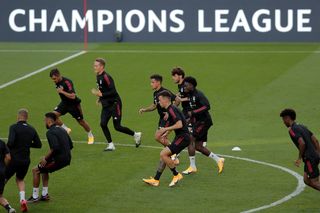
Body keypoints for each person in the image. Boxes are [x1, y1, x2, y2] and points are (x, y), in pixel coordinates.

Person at [91, 58, 142, 151]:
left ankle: (136, 135)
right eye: (94, 65)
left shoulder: (106, 77)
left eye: (96, 65)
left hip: (115, 104)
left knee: (117, 127)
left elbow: (113, 91)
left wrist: (101, 95)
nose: (94, 67)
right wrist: (100, 98)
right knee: (103, 124)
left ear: (102, 67)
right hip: (106, 105)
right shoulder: (98, 76)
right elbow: (103, 89)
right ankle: (111, 145)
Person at [143, 91, 190, 187]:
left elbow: (179, 124)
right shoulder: (171, 109)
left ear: (165, 99)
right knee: (164, 156)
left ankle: (176, 175)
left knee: (163, 154)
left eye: (160, 100)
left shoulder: (172, 109)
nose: (159, 103)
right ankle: (156, 180)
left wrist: (166, 129)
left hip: (183, 138)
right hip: (180, 137)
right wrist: (167, 133)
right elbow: (177, 123)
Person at [181, 76, 224, 175]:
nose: (184, 87)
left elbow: (207, 106)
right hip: (198, 122)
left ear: (191, 85)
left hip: (204, 121)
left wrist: (193, 113)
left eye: (186, 85)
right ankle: (218, 160)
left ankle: (192, 167)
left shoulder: (198, 94)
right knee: (198, 146)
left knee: (190, 139)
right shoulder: (190, 95)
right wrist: (188, 121)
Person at [27, 112, 73, 203]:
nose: (44, 122)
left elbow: (54, 148)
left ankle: (35, 197)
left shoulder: (50, 132)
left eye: (45, 120)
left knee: (36, 170)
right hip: (66, 157)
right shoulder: (62, 130)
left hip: (59, 159)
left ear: (48, 121)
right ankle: (44, 195)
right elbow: (70, 145)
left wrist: (46, 159)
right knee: (44, 169)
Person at [5, 109, 42, 212]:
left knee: (4, 178)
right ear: (27, 117)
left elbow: (11, 143)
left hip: (14, 159)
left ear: (18, 116)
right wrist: (26, 144)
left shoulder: (14, 127)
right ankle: (22, 200)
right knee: (20, 179)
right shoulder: (31, 129)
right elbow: (39, 145)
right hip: (25, 160)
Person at [50, 68, 94, 144]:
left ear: (59, 75)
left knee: (81, 121)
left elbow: (73, 96)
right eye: (52, 79)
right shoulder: (57, 82)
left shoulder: (67, 82)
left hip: (73, 104)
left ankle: (90, 135)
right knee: (52, 116)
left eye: (54, 78)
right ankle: (66, 129)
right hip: (64, 103)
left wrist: (62, 92)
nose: (54, 81)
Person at [280, 108, 320, 191]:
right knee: (306, 180)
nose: (283, 122)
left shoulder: (292, 130)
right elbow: (315, 141)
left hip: (309, 158)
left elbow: (302, 143)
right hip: (314, 156)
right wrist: (318, 154)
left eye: (283, 119)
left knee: (315, 182)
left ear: (288, 118)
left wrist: (299, 158)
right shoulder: (302, 126)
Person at [171, 67, 208, 147]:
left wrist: (180, 99)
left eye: (174, 76)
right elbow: (182, 94)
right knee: (184, 127)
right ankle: (198, 140)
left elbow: (191, 96)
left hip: (190, 110)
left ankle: (180, 146)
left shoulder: (185, 85)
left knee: (183, 128)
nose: (173, 78)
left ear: (180, 76)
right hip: (185, 110)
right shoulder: (180, 86)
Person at [139, 74, 176, 146]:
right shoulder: (155, 93)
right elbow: (154, 106)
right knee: (161, 137)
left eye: (153, 82)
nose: (151, 84)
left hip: (168, 118)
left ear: (158, 82)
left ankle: (172, 151)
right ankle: (171, 153)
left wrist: (169, 112)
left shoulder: (165, 92)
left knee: (158, 136)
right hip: (162, 118)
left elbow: (176, 100)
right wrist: (145, 110)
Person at [0, 139, 16, 213]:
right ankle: (9, 208)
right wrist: (3, 167)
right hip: (1, 172)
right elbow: (8, 158)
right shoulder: (2, 143)